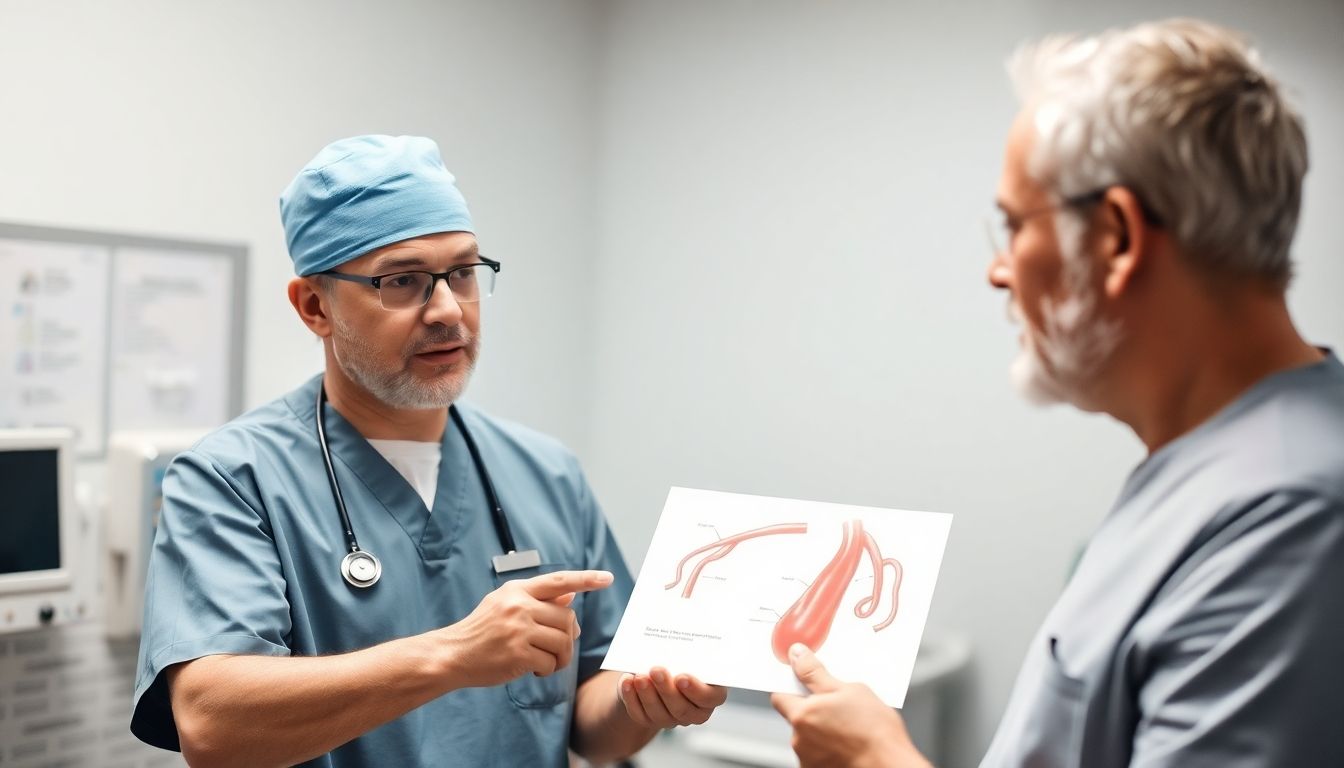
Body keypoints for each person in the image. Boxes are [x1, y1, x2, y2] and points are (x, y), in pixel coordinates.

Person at [771, 18, 1344, 767]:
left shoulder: (1292, 522)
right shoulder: (1210, 468)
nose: (998, 272)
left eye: (1014, 227)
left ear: (1115, 238)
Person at [130, 135, 725, 768]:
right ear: (314, 306)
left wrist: (648, 700)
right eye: (403, 281)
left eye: (464, 273)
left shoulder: (547, 473)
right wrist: (453, 655)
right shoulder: (233, 479)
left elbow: (591, 720)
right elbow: (212, 724)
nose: (448, 310)